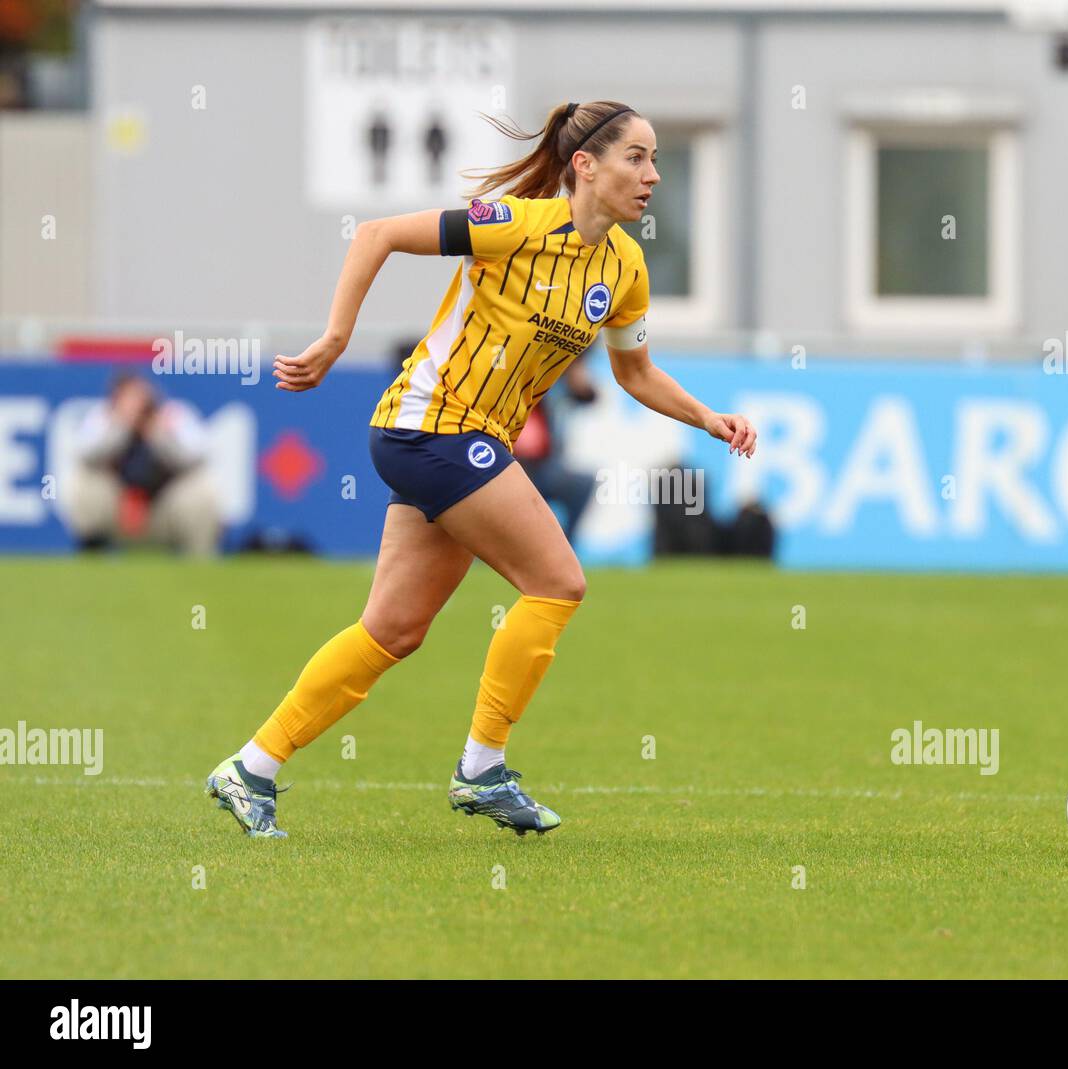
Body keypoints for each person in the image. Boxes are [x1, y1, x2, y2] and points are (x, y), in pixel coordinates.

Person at [205, 100, 757, 839]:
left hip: (458, 443)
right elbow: (376, 235)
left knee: (393, 629)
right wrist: (336, 338)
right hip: (432, 426)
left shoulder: (624, 268)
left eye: (656, 160)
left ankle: (252, 766)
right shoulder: (515, 225)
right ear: (584, 166)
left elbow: (636, 372)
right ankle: (481, 768)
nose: (653, 175)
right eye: (637, 158)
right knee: (558, 580)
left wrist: (709, 418)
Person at [66, 372, 221, 555]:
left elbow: (196, 457)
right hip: (119, 509)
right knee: (86, 481)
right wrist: (121, 426)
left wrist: (159, 435)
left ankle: (199, 559)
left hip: (165, 510)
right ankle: (92, 551)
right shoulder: (104, 418)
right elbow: (85, 454)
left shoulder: (173, 416)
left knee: (200, 489)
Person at [513, 352, 599, 544]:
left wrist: (577, 374)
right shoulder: (527, 372)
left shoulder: (560, 380)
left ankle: (565, 546)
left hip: (545, 467)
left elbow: (588, 395)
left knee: (582, 484)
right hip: (515, 464)